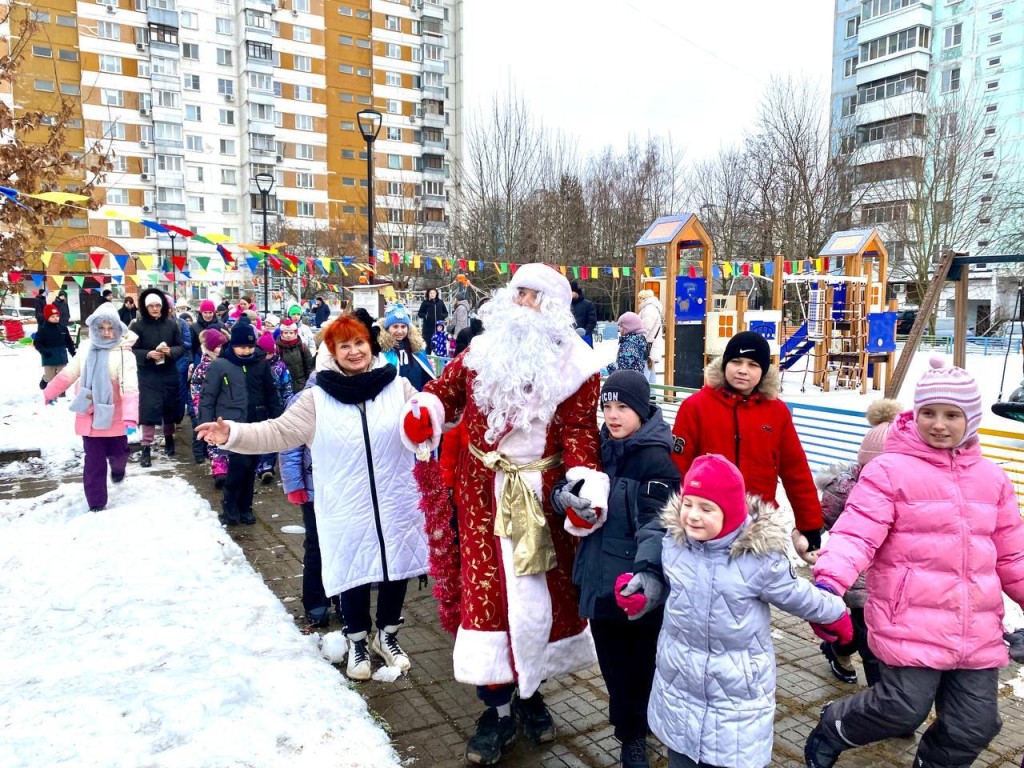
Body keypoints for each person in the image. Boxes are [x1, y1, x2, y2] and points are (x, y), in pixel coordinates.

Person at [400, 263, 607, 765]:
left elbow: (580, 432)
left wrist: (583, 484)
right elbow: (444, 395)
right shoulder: (479, 351)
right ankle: (494, 711)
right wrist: (425, 412)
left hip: (543, 497)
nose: (522, 305)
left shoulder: (578, 365)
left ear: (555, 307)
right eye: (517, 294)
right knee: (487, 600)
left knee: (540, 597)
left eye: (534, 296)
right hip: (482, 495)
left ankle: (531, 694)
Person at [805, 357, 1024, 768]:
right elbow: (856, 533)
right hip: (910, 619)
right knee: (902, 709)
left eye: (951, 415)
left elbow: (1014, 554)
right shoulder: (890, 471)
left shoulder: (992, 479)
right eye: (928, 413)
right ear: (914, 414)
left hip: (975, 628)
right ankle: (835, 725)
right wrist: (830, 584)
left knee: (975, 725)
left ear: (971, 419)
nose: (939, 424)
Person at [196, 314, 428, 680]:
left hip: (395, 497)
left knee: (394, 565)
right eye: (344, 346)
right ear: (332, 353)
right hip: (344, 502)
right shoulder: (316, 399)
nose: (354, 352)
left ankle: (388, 635)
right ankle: (358, 641)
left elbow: (431, 417)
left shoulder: (397, 388)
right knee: (351, 568)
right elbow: (277, 432)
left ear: (372, 345)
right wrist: (232, 435)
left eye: (360, 343)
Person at [634, 454, 850, 768]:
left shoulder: (757, 559)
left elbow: (797, 594)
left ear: (732, 512)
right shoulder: (674, 545)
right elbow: (666, 585)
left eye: (706, 509)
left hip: (735, 692)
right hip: (679, 682)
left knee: (729, 757)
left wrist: (834, 612)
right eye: (689, 504)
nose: (693, 516)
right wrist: (644, 592)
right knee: (680, 754)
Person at [554, 370, 679, 768]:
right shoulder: (598, 448)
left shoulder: (657, 459)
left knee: (641, 664)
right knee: (612, 666)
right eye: (606, 406)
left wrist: (646, 574)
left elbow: (657, 523)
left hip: (634, 587)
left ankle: (637, 735)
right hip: (597, 579)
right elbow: (566, 484)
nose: (612, 415)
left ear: (641, 410)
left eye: (623, 406)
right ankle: (630, 730)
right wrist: (564, 498)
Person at [670, 330, 824, 562]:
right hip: (707, 522)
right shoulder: (696, 407)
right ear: (724, 364)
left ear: (763, 371)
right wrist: (679, 518)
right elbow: (677, 467)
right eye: (736, 362)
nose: (743, 370)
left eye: (753, 364)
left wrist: (810, 525)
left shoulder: (776, 412)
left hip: (758, 525)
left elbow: (796, 470)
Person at [813, 398, 901, 688]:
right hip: (858, 577)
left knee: (876, 635)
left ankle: (838, 648)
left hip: (896, 580)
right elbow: (824, 522)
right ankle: (883, 698)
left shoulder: (911, 488)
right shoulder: (845, 487)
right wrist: (811, 541)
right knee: (869, 640)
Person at [42, 303, 139, 512]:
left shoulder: (124, 354)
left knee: (119, 453)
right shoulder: (86, 348)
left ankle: (118, 468)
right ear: (94, 328)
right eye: (101, 328)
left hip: (115, 415)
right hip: (89, 413)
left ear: (118, 328)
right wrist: (50, 392)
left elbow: (130, 388)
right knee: (93, 461)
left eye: (110, 328)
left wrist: (131, 418)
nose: (106, 332)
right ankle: (96, 502)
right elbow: (69, 373)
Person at [199, 323, 283, 526]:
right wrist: (206, 424)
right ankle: (230, 508)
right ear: (233, 345)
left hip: (256, 423)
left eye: (250, 347)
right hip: (231, 425)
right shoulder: (220, 365)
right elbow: (208, 396)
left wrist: (278, 418)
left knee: (251, 467)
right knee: (239, 467)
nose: (246, 351)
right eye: (242, 347)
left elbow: (271, 392)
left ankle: (245, 507)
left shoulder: (260, 364)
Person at [279, 371, 336, 628]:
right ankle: (316, 600)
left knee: (344, 545)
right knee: (317, 544)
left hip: (346, 487)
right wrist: (295, 484)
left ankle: (344, 599)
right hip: (315, 488)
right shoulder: (305, 399)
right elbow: (290, 446)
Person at [130, 289, 184, 468]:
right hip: (148, 374)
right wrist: (147, 354)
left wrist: (171, 352)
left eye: (158, 305)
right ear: (145, 307)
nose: (155, 309)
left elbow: (181, 347)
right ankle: (146, 447)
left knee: (169, 407)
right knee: (148, 410)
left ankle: (169, 438)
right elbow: (130, 350)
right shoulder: (137, 327)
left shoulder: (171, 324)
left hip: (168, 372)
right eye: (151, 306)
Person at [188, 328, 228, 484]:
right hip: (210, 408)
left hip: (227, 407)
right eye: (218, 346)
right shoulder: (204, 366)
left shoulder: (228, 362)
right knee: (213, 438)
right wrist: (200, 406)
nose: (221, 349)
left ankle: (228, 466)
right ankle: (219, 470)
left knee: (227, 436)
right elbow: (196, 386)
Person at [254, 333, 292, 485]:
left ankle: (267, 467)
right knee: (259, 436)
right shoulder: (254, 366)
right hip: (258, 407)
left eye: (270, 353)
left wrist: (288, 402)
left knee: (272, 437)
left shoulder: (280, 367)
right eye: (265, 353)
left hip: (276, 407)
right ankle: (258, 465)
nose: (268, 356)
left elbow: (287, 386)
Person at [380, 305, 435, 391]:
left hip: (416, 397)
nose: (400, 331)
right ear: (387, 328)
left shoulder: (416, 348)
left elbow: (426, 376)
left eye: (403, 326)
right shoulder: (383, 352)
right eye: (395, 326)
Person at [34, 303, 77, 390]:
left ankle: (61, 391)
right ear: (47, 317)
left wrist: (73, 352)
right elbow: (37, 343)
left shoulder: (63, 328)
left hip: (61, 355)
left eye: (57, 316)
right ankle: (45, 379)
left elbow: (68, 341)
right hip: (49, 356)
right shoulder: (43, 329)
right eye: (52, 316)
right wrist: (44, 352)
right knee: (50, 377)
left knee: (62, 375)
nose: (56, 318)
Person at [277, 317, 314, 392]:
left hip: (302, 385)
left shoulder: (303, 347)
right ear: (281, 333)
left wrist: (309, 384)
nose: (288, 335)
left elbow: (309, 367)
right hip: (285, 387)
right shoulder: (277, 348)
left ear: (295, 332)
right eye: (286, 332)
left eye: (291, 332)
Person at [637, 289, 664, 385]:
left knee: (644, 375)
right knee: (650, 371)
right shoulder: (652, 308)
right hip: (651, 345)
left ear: (643, 298)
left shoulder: (649, 309)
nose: (638, 301)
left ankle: (644, 396)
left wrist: (637, 340)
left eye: (639, 298)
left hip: (648, 346)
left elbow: (645, 328)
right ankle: (652, 397)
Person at [191, 299, 224, 365]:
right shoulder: (194, 327)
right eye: (205, 312)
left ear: (213, 313)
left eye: (210, 312)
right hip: (200, 359)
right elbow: (191, 347)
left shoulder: (221, 325)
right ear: (201, 312)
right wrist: (191, 361)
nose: (208, 315)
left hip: (219, 359)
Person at [569, 281, 597, 347]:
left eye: (571, 292)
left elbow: (592, 322)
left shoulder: (588, 304)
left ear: (576, 291)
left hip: (585, 338)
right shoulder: (566, 305)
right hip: (570, 340)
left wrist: (585, 332)